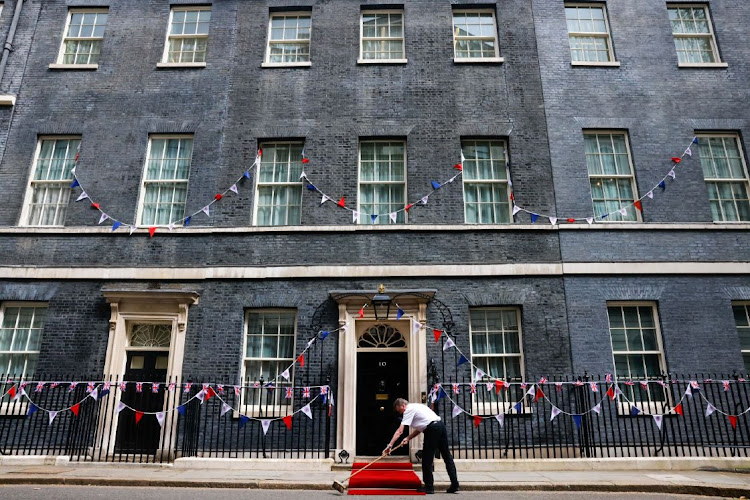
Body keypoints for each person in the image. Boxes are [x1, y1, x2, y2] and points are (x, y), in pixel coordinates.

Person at [383, 398, 459, 494]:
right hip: (440, 426)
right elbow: (421, 427)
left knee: (427, 458)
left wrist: (390, 445)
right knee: (447, 456)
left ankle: (429, 487)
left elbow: (399, 431)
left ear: (402, 406)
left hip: (432, 430)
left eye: (399, 410)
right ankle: (455, 484)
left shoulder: (408, 410)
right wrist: (408, 438)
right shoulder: (418, 406)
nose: (401, 413)